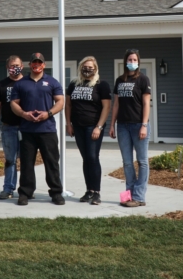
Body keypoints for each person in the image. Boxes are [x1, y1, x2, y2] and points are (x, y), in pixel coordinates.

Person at [10, 52, 65, 206]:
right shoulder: (21, 83)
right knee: (27, 164)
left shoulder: (52, 82)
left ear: (44, 65)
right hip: (27, 130)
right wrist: (23, 114)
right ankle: (25, 193)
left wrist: (48, 114)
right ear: (29, 65)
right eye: (34, 62)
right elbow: (14, 103)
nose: (37, 65)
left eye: (39, 62)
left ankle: (56, 193)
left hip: (47, 130)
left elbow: (60, 102)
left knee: (52, 163)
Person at [65, 56, 111, 205]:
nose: (87, 69)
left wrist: (99, 127)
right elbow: (68, 105)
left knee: (92, 157)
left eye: (91, 67)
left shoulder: (101, 85)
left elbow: (106, 107)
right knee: (86, 158)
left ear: (95, 69)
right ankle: (89, 190)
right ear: (80, 68)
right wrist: (68, 124)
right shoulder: (73, 84)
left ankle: (96, 192)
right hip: (78, 126)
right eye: (85, 67)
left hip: (93, 126)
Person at [109, 49, 151, 208]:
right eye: (129, 59)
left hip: (138, 125)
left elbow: (146, 104)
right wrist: (112, 124)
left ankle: (139, 197)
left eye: (134, 60)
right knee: (127, 162)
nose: (132, 62)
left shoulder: (143, 79)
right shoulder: (119, 80)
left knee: (142, 161)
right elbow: (116, 104)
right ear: (125, 61)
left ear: (138, 62)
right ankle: (129, 195)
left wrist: (144, 125)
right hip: (122, 126)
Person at [0, 55, 23, 200]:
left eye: (17, 65)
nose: (14, 68)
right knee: (10, 159)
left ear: (22, 66)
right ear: (7, 67)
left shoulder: (27, 82)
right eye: (11, 65)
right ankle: (8, 189)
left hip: (26, 127)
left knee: (27, 160)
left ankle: (26, 189)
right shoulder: (2, 85)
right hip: (8, 127)